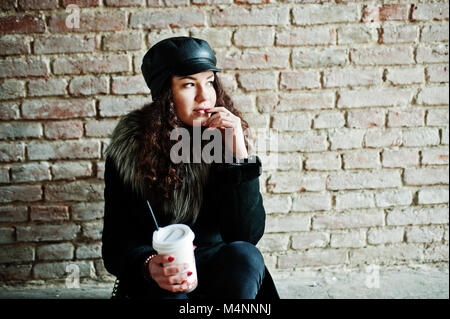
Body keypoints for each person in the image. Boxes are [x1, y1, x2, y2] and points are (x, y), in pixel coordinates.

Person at [101, 36, 279, 299]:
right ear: (166, 95)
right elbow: (115, 247)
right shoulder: (131, 150)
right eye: (188, 84)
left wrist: (239, 156)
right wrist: (149, 265)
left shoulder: (222, 138)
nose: (204, 95)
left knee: (246, 255)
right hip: (164, 275)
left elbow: (246, 234)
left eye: (209, 81)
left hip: (218, 269)